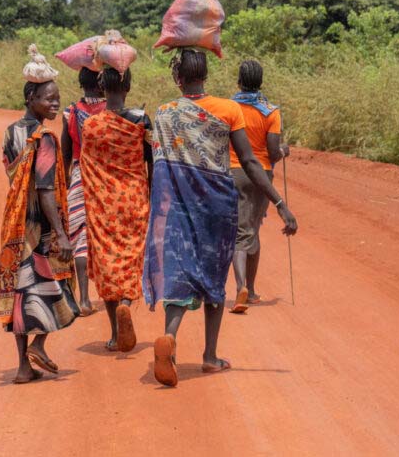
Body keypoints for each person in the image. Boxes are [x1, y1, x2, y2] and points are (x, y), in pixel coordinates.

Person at [143, 49, 298, 387]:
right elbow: (251, 161)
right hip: (216, 205)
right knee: (214, 278)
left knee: (180, 273)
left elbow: (159, 165)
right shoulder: (228, 110)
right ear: (206, 76)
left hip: (180, 209)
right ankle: (210, 357)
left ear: (177, 79)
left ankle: (170, 334)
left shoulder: (164, 113)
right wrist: (280, 202)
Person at [0, 46, 79, 384]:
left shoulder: (11, 132)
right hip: (40, 226)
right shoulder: (44, 138)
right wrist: (60, 233)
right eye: (49, 98)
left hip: (15, 225)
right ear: (32, 98)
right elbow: (46, 189)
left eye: (58, 98)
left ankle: (22, 366)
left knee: (22, 292)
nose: (55, 104)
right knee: (62, 287)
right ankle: (40, 344)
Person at [80, 67, 152, 353]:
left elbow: (87, 167)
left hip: (103, 202)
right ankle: (126, 303)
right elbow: (152, 162)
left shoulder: (91, 125)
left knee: (106, 259)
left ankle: (113, 333)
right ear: (129, 86)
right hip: (134, 198)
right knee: (132, 256)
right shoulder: (141, 120)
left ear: (101, 87)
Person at [229, 60, 289, 313]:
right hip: (261, 176)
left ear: (239, 81)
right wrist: (284, 151)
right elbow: (273, 152)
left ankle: (241, 287)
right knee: (252, 228)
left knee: (240, 231)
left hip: (232, 171)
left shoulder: (230, 107)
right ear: (261, 82)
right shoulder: (271, 111)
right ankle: (250, 290)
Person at [60, 66, 106, 316]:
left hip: (79, 174)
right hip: (105, 177)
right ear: (102, 83)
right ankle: (113, 293)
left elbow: (65, 153)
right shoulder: (110, 110)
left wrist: (67, 182)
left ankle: (85, 299)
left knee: (79, 236)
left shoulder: (70, 112)